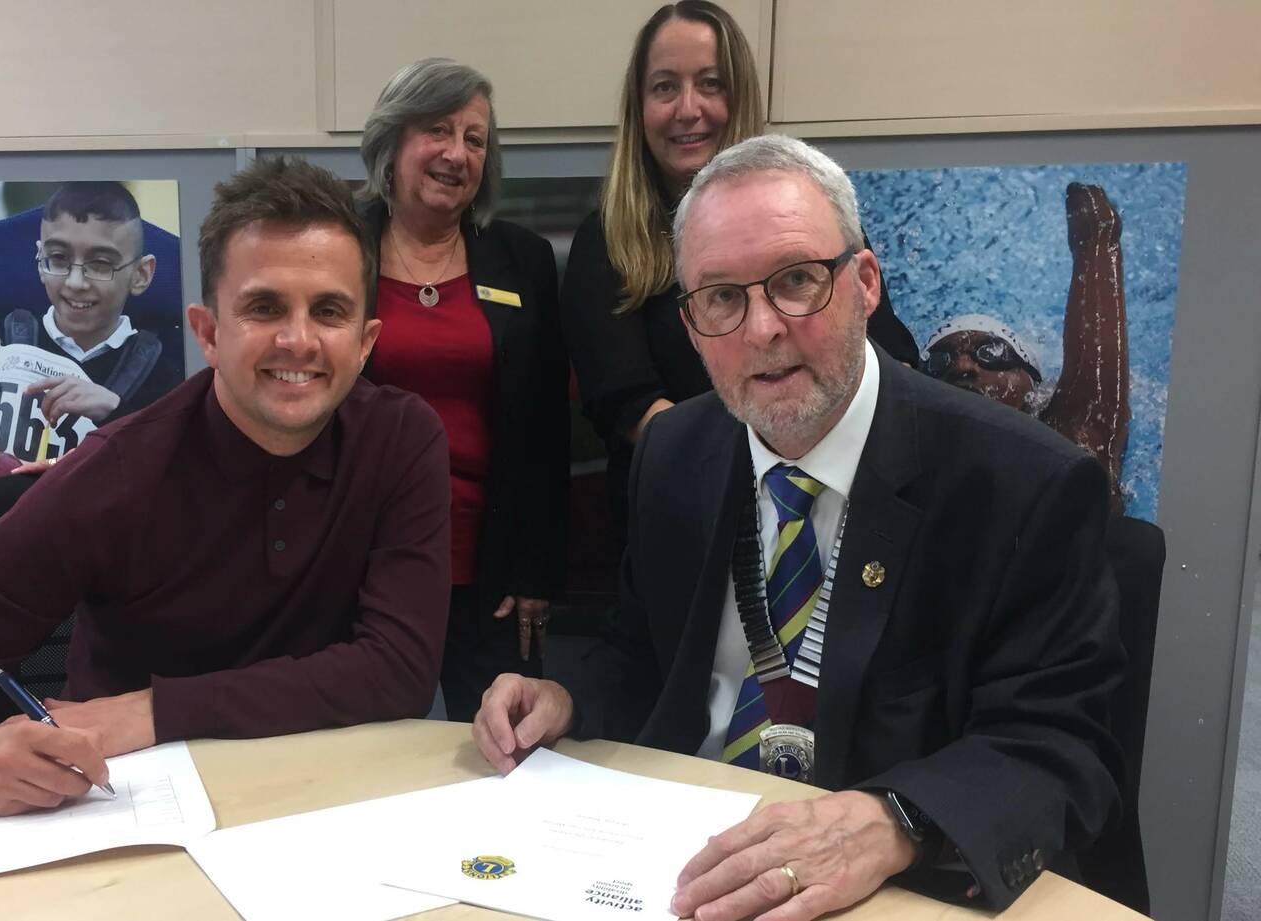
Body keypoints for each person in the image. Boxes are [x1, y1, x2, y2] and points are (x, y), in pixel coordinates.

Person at [473, 135, 1123, 918]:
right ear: (689, 321)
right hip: (675, 860)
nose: (762, 329)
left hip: (887, 888)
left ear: (865, 282)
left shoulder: (1022, 486)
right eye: (720, 297)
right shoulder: (677, 453)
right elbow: (644, 655)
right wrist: (565, 696)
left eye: (796, 281)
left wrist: (897, 816)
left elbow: (1060, 749)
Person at [0, 157, 452, 817]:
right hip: (135, 812)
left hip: (330, 800)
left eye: (330, 311)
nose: (297, 339)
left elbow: (400, 671)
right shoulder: (117, 469)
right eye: (264, 306)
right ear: (207, 332)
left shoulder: (401, 440)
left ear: (365, 340)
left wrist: (153, 707)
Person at [561, 1, 919, 538]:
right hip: (689, 522)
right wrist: (778, 468)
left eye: (710, 84)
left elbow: (889, 359)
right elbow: (632, 408)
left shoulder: (813, 215)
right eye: (664, 87)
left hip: (840, 507)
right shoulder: (606, 240)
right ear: (639, 107)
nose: (688, 109)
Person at [357, 58, 569, 723]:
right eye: (438, 131)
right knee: (366, 755)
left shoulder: (522, 259)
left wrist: (538, 571)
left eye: (474, 139)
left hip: (493, 572)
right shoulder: (337, 247)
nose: (457, 153)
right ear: (393, 143)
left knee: (506, 753)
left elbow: (545, 427)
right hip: (364, 564)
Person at [0, 181, 182, 456]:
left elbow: (173, 465)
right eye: (58, 259)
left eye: (101, 264)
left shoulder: (160, 374)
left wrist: (115, 411)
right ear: (40, 261)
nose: (76, 282)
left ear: (141, 275)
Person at [922, 183, 1130, 510]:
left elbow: (1095, 379)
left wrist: (1095, 242)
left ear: (1032, 383)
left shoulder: (1069, 440)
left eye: (990, 353)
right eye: (939, 362)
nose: (962, 367)